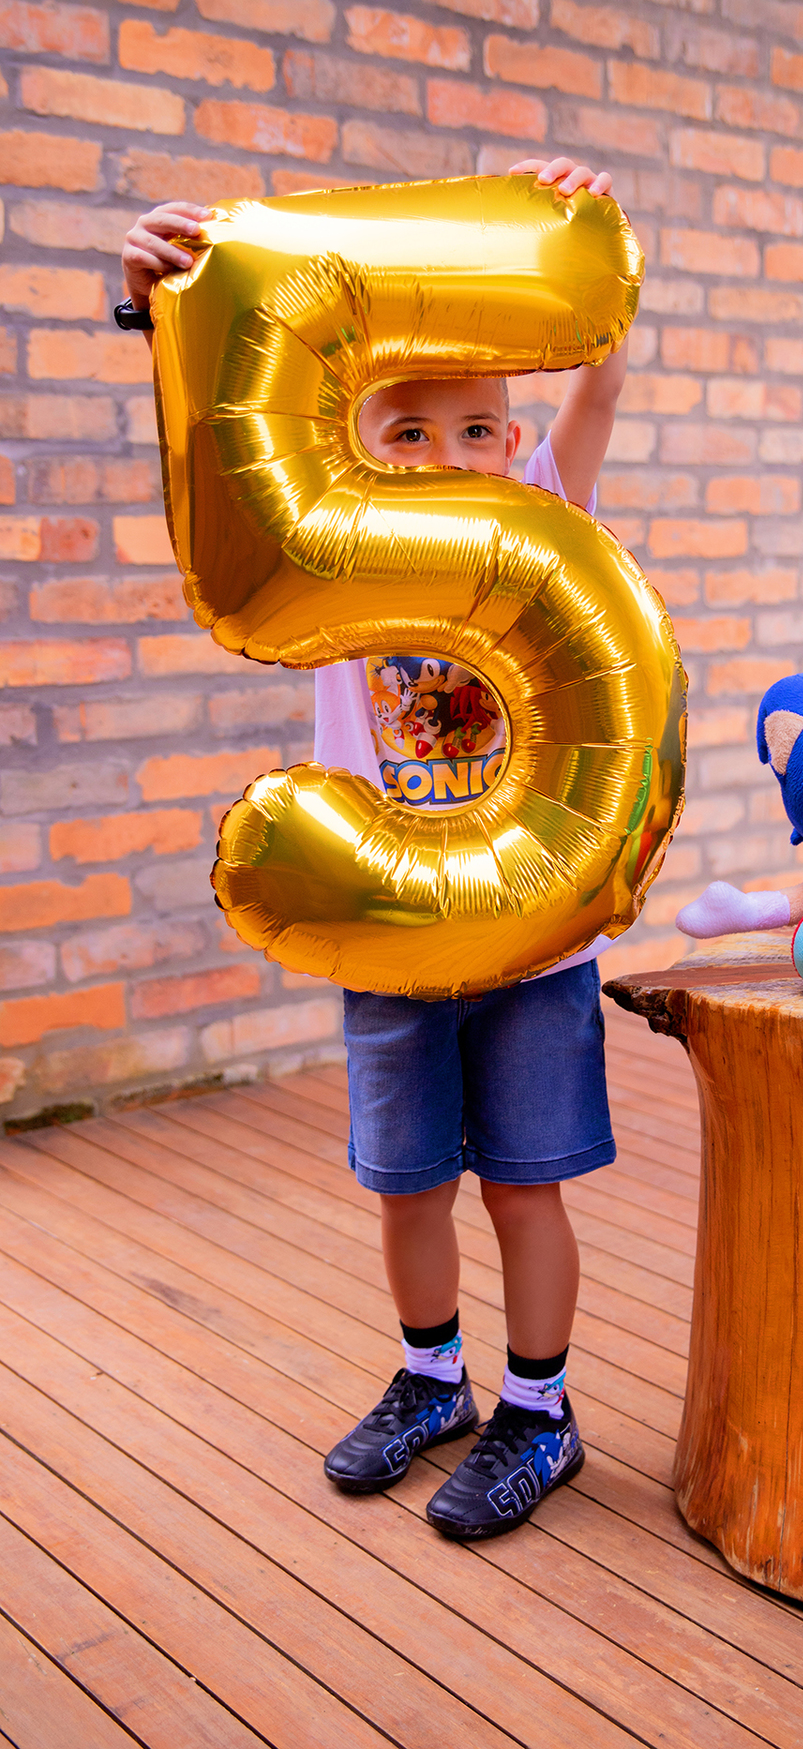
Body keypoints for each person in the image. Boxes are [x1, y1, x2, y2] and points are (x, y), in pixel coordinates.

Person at [120, 156, 630, 1539]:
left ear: (512, 447)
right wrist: (160, 306)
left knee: (523, 1185)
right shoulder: (337, 549)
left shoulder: (540, 513)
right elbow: (221, 448)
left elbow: (595, 391)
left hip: (529, 940)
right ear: (354, 444)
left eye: (479, 432)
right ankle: (431, 1379)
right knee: (407, 1186)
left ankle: (541, 1410)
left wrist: (588, 250)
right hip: (391, 928)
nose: (448, 459)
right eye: (408, 432)